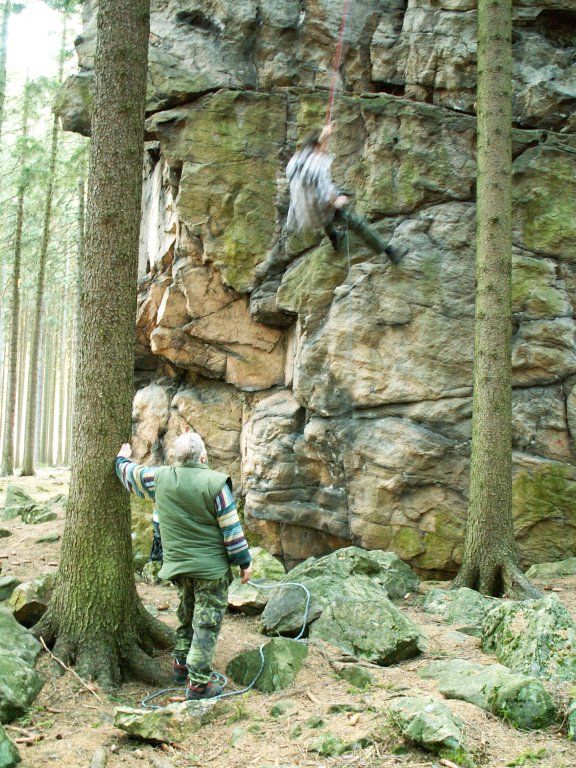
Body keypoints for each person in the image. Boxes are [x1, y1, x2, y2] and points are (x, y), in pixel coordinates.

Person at [115, 432, 253, 700]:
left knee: (186, 613)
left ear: (176, 457)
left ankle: (180, 666)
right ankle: (199, 683)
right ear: (203, 456)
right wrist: (244, 562)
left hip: (178, 567)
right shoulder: (215, 483)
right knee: (206, 623)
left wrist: (121, 461)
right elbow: (231, 529)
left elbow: (132, 475)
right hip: (211, 571)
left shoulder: (160, 478)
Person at [255, 123, 404, 281]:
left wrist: (324, 135)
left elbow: (312, 151)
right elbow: (328, 194)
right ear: (317, 149)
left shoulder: (295, 161)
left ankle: (334, 238)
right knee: (355, 222)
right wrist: (338, 200)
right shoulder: (318, 167)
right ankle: (389, 252)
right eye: (324, 146)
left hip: (303, 214)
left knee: (323, 209)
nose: (326, 148)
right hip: (320, 211)